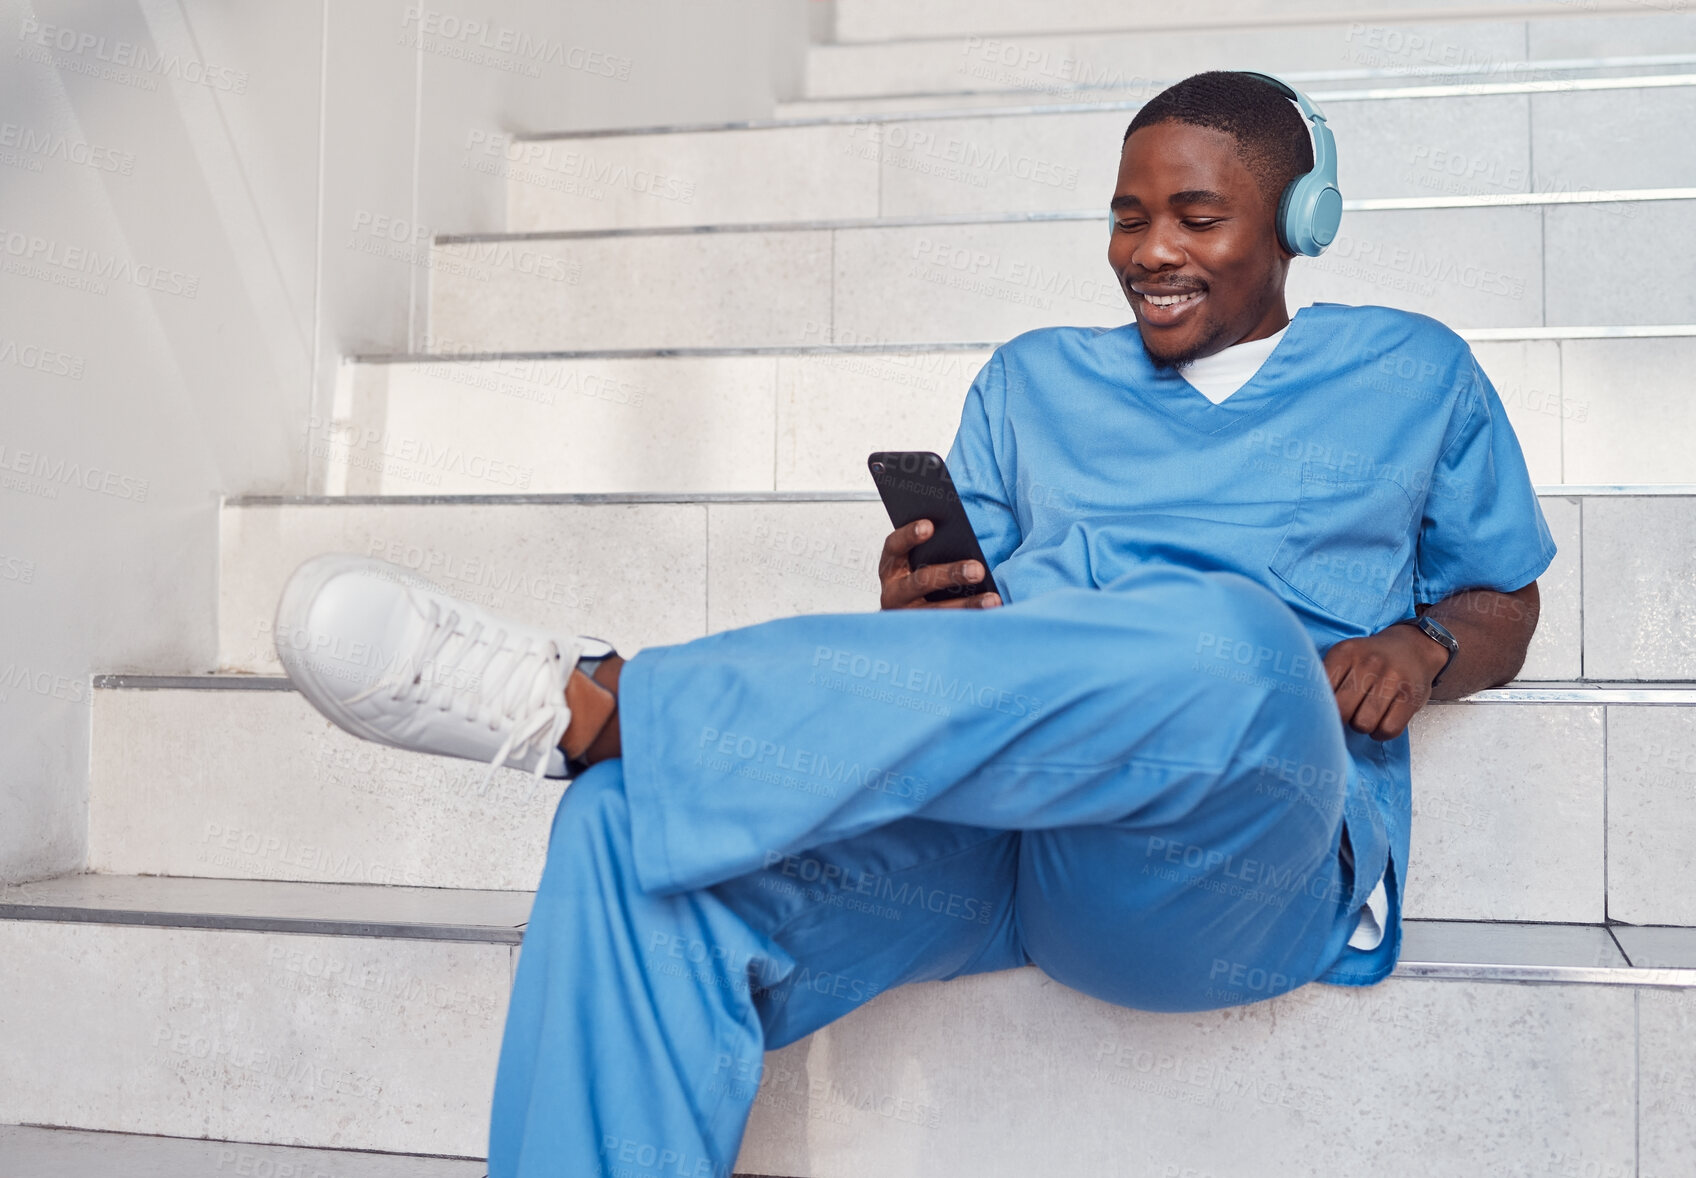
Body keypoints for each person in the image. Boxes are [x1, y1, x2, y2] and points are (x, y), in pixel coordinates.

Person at [273, 71, 1553, 1178]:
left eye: (1194, 216)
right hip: (997, 832)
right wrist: (923, 617)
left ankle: (615, 702)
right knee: (628, 828)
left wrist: (1426, 645)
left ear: (1296, 221)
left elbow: (1508, 599)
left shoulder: (1411, 369)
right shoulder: (1030, 377)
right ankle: (628, 735)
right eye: (1125, 217)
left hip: (1222, 844)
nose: (1148, 249)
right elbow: (978, 620)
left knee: (1233, 640)